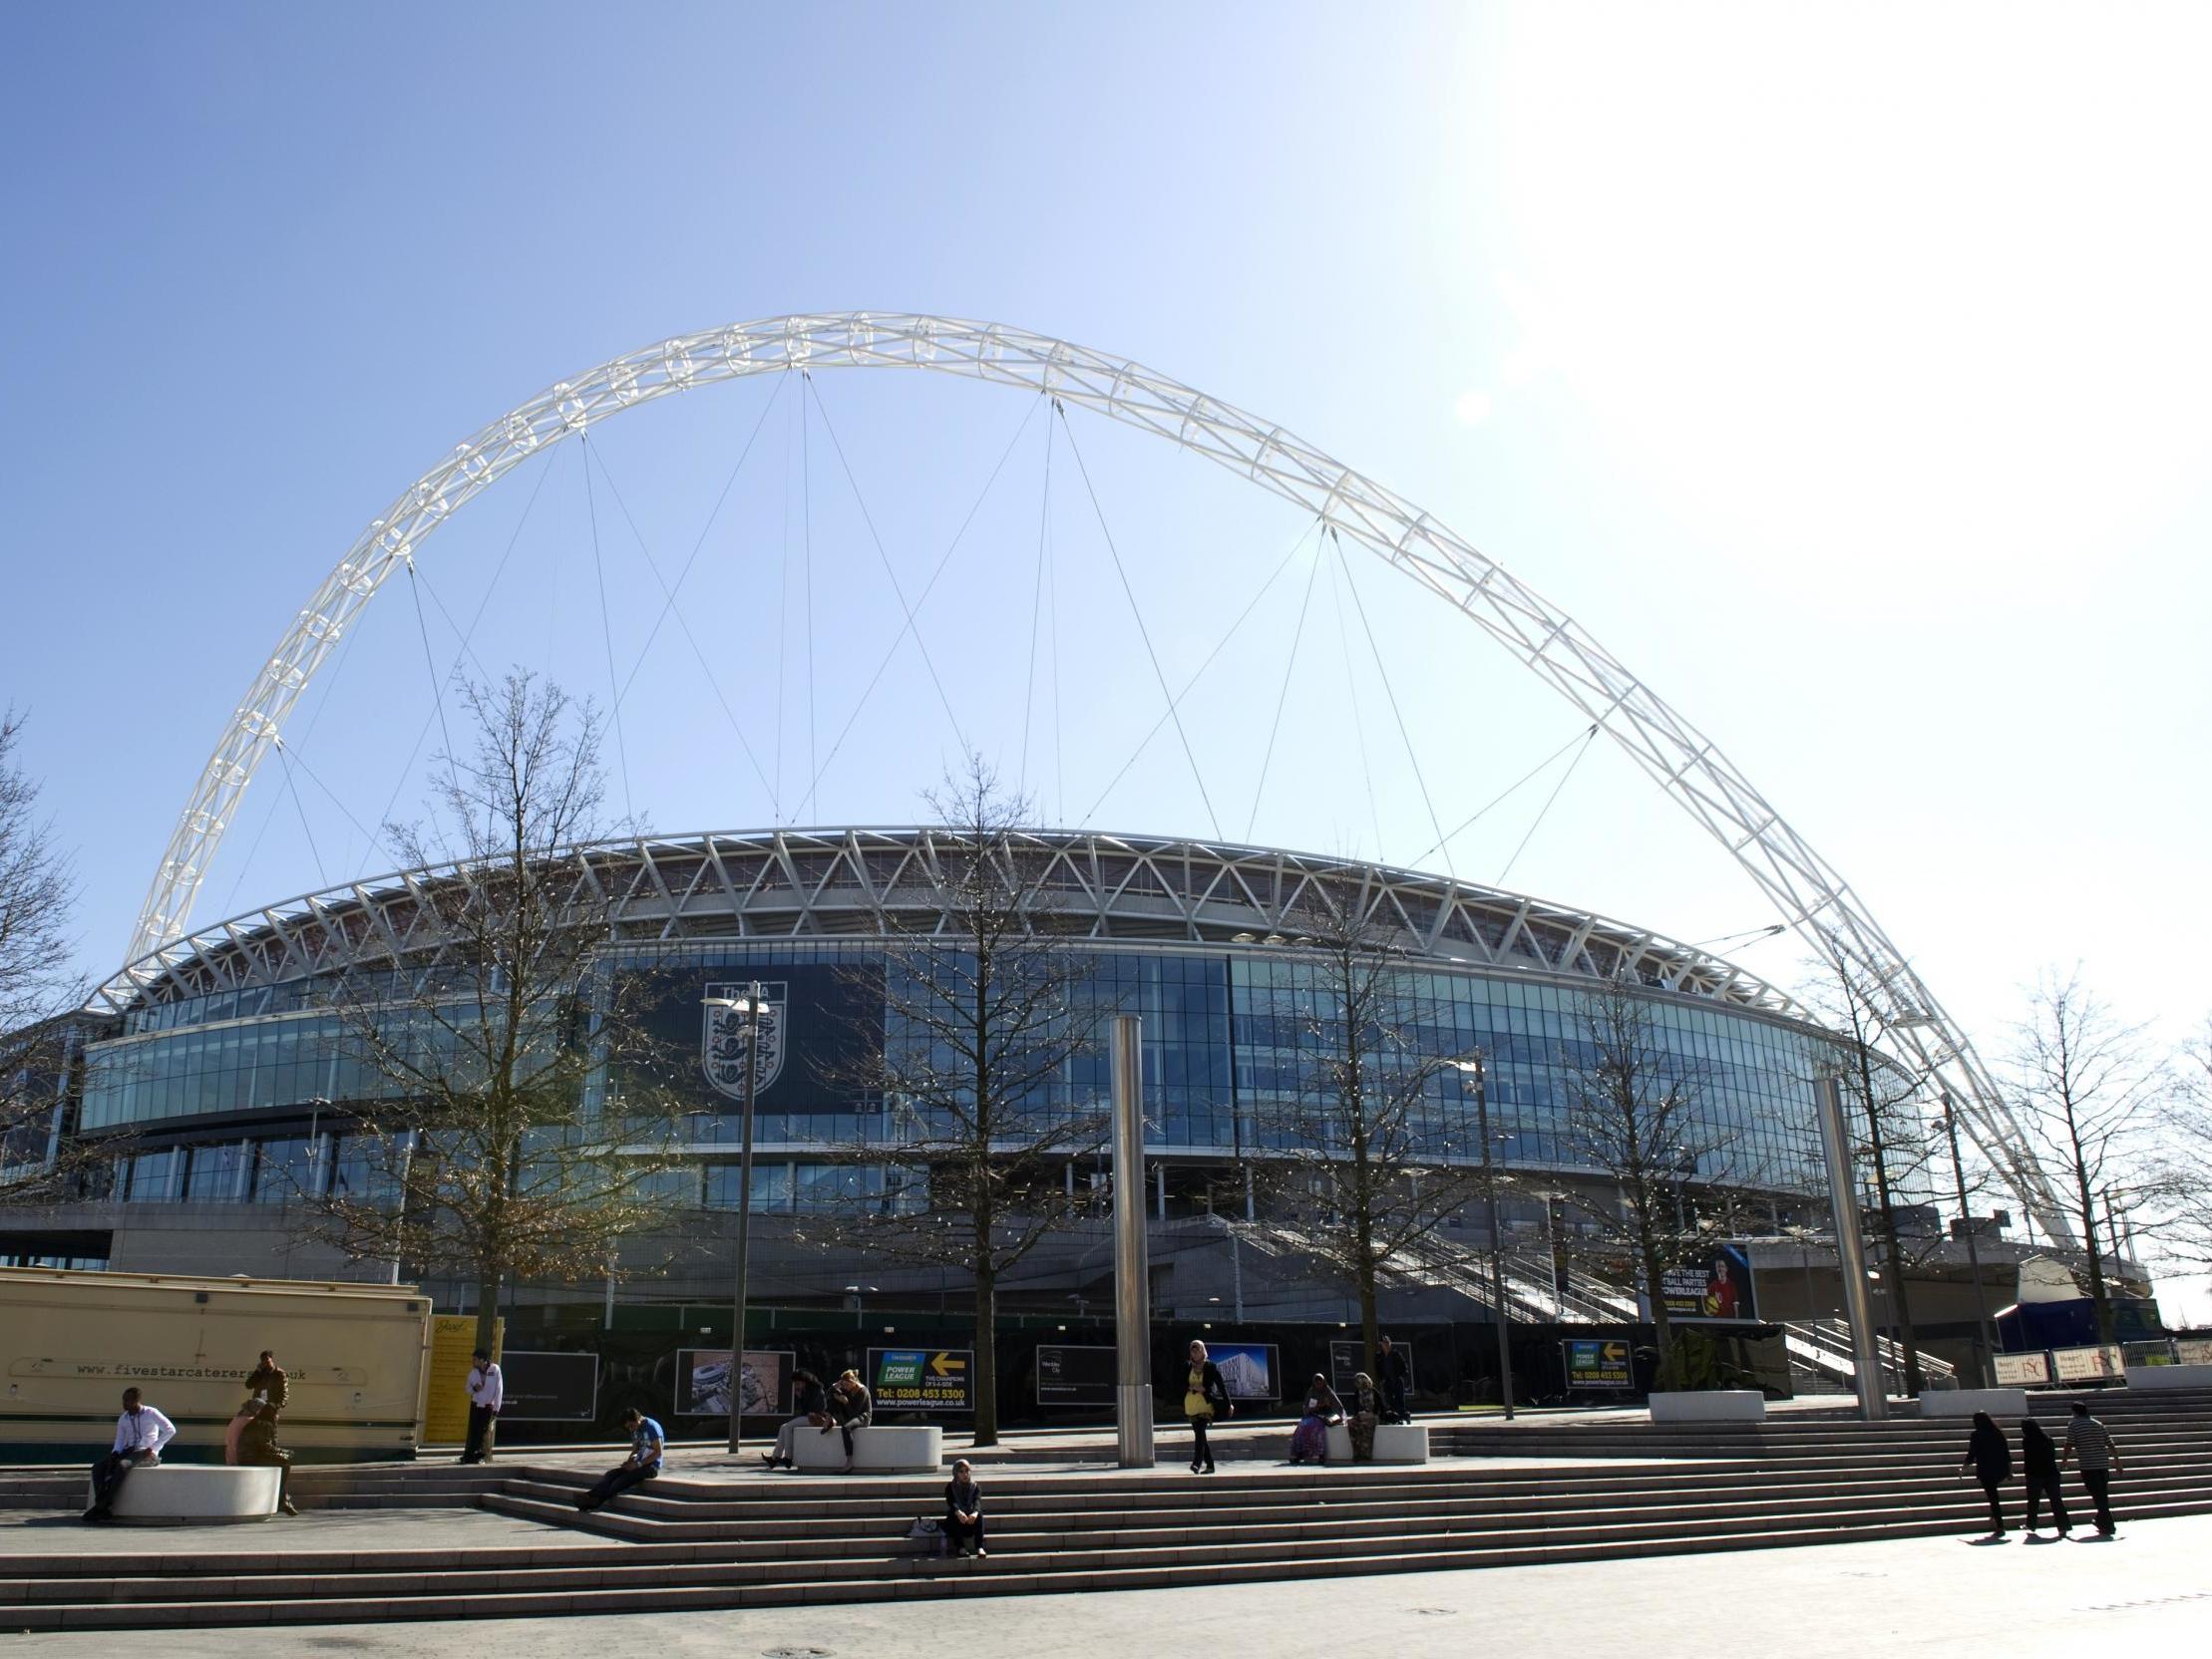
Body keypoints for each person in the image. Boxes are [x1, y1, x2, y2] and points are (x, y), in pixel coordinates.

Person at [84, 1388, 178, 1522]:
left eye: (127, 1400)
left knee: (122, 1465)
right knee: (98, 1467)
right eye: (123, 1400)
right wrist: (115, 1452)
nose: (124, 1403)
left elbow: (170, 1430)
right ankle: (101, 1506)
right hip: (128, 1451)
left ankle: (103, 1505)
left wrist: (153, 1448)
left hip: (146, 1452)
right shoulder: (124, 1418)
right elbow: (120, 1440)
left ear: (136, 1400)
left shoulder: (151, 1413)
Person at [575, 1407, 664, 1512]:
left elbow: (658, 1452)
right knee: (611, 1474)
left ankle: (594, 1500)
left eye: (631, 1426)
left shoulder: (651, 1427)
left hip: (650, 1467)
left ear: (638, 1419)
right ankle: (589, 1496)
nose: (631, 1429)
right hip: (638, 1464)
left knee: (620, 1481)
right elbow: (636, 1450)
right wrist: (630, 1460)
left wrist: (638, 1465)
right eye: (628, 1428)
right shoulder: (635, 1429)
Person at [2061, 1399, 2122, 1537]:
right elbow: (2110, 1444)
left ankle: (2109, 1525)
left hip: (2088, 1465)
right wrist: (2117, 1462)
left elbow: (2069, 1443)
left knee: (2098, 1496)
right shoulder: (2098, 1424)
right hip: (2102, 1464)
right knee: (2102, 1495)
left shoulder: (2074, 1424)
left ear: (2074, 1412)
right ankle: (2101, 1521)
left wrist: (2064, 1460)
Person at [237, 1400, 300, 1516]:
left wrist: (281, 1453)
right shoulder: (264, 1425)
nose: (278, 1417)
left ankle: (283, 1500)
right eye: (277, 1414)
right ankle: (281, 1500)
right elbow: (266, 1447)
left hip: (248, 1457)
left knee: (282, 1461)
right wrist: (283, 1452)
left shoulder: (258, 1422)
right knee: (284, 1465)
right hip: (251, 1459)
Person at [1958, 1410, 2013, 1538]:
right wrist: (2010, 1470)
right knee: (1994, 1495)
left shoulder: (1976, 1435)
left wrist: (1963, 1468)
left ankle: (2000, 1525)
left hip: (1986, 1470)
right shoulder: (1998, 1433)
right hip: (2000, 1469)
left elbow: (1972, 1454)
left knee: (1993, 1497)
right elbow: (2006, 1453)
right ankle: (1996, 1516)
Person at [763, 1368, 830, 1470]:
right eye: (796, 1383)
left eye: (798, 1383)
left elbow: (810, 1409)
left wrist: (801, 1397)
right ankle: (774, 1458)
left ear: (805, 1381)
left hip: (816, 1418)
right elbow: (805, 1410)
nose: (797, 1385)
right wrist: (800, 1396)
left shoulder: (815, 1389)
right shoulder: (807, 1390)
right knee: (783, 1427)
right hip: (809, 1417)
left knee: (788, 1427)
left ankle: (788, 1458)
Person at [1183, 1339, 1230, 1475]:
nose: (1195, 1353)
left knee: (1200, 1430)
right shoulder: (1187, 1366)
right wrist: (1191, 1387)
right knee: (1200, 1434)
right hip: (1191, 1404)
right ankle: (1210, 1465)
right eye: (1193, 1351)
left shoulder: (1210, 1367)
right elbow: (1180, 1383)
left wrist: (1228, 1403)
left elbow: (1221, 1385)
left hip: (1205, 1404)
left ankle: (1196, 1463)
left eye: (1197, 1350)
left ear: (1202, 1351)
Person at [2019, 1418, 2069, 1537]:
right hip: (2051, 1472)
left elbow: (2028, 1458)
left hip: (2035, 1474)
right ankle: (2063, 1527)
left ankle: (2031, 1524)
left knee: (2033, 1501)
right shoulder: (2047, 1438)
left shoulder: (2027, 1440)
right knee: (2056, 1501)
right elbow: (2052, 1454)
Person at [1288, 1374, 1344, 1465]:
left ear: (1324, 1382)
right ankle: (1298, 1453)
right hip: (1313, 1415)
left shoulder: (1328, 1392)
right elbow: (1307, 1408)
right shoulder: (1311, 1392)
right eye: (1317, 1383)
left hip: (1326, 1416)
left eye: (1320, 1383)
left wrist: (1329, 1406)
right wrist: (1319, 1405)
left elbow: (1338, 1407)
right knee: (1302, 1426)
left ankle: (1319, 1455)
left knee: (1317, 1428)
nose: (1319, 1385)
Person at [460, 1348, 503, 1465]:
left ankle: (479, 1456)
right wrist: (474, 1388)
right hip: (476, 1405)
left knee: (482, 1432)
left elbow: (499, 1389)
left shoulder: (495, 1369)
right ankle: (469, 1455)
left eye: (475, 1359)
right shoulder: (473, 1372)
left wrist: (496, 1409)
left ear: (482, 1360)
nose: (473, 1362)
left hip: (488, 1406)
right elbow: (467, 1389)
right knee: (473, 1430)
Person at [824, 1369, 872, 1473]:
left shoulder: (862, 1390)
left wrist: (845, 1402)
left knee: (845, 1428)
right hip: (849, 1415)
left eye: (846, 1385)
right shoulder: (846, 1388)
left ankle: (849, 1462)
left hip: (862, 1417)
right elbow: (827, 1395)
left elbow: (854, 1413)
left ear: (853, 1382)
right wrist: (833, 1387)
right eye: (843, 1384)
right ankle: (830, 1418)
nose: (844, 1387)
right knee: (833, 1396)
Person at [942, 1458, 986, 1557]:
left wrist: (974, 1513)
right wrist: (959, 1512)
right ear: (956, 1473)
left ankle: (980, 1547)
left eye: (967, 1471)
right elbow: (951, 1502)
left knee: (979, 1515)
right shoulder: (950, 1487)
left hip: (970, 1521)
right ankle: (960, 1547)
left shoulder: (975, 1486)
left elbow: (977, 1501)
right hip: (957, 1523)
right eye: (961, 1471)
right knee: (953, 1514)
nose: (965, 1474)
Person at [1346, 1372, 1382, 1462]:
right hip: (1361, 1416)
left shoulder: (1373, 1392)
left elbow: (1379, 1408)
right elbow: (1356, 1408)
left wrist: (1368, 1413)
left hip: (1372, 1416)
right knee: (1351, 1424)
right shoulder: (1358, 1393)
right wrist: (1356, 1416)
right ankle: (1356, 1452)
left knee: (1364, 1425)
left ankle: (1366, 1453)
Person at [1376, 1336, 1411, 1423]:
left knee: (1399, 1399)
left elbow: (1404, 1366)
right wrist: (1382, 1378)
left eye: (1388, 1343)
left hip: (1397, 1379)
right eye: (1384, 1343)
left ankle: (1404, 1416)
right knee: (1389, 1399)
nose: (1386, 1345)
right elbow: (1378, 1368)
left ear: (1390, 1344)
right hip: (1387, 1380)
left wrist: (1401, 1375)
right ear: (1382, 1345)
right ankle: (1394, 1416)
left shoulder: (1396, 1354)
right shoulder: (1380, 1356)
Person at [245, 1349, 289, 1414]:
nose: (265, 1362)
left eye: (267, 1359)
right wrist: (257, 1371)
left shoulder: (279, 1373)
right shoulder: (260, 1372)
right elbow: (248, 1385)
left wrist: (278, 1405)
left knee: (268, 1423)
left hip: (271, 1407)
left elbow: (284, 1391)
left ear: (271, 1359)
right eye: (262, 1360)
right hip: (258, 1406)